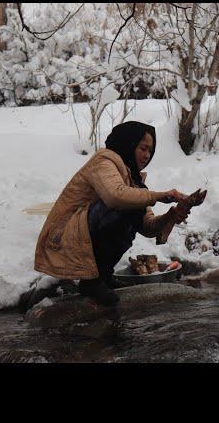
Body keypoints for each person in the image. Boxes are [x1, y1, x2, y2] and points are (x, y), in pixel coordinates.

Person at [34, 121, 190, 307]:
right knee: (125, 207)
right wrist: (160, 195)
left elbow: (147, 226)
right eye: (143, 148)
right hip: (62, 238)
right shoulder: (104, 161)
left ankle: (103, 276)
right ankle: (91, 282)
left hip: (82, 234)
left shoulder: (133, 179)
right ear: (128, 143)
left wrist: (171, 216)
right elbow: (115, 196)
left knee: (134, 207)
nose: (147, 155)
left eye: (151, 150)